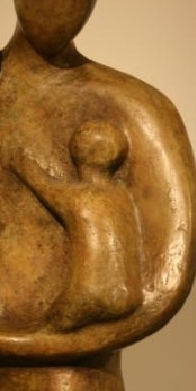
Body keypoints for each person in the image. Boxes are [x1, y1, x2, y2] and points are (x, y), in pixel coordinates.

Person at [10, 119, 143, 331]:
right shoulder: (122, 194)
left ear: (78, 156)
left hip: (91, 294)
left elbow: (40, 183)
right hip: (129, 296)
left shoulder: (78, 198)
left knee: (46, 330)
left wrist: (16, 157)